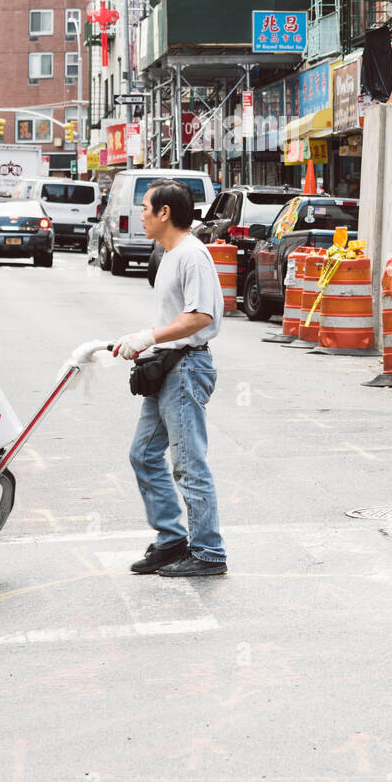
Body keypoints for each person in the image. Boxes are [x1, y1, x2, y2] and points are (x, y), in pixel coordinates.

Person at [114, 180, 227, 577]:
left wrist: (150, 337)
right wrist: (141, 340)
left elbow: (200, 317)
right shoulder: (169, 254)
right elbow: (174, 318)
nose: (140, 214)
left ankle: (209, 552)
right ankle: (171, 541)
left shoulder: (192, 255)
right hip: (167, 364)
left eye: (145, 207)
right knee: (143, 454)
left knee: (188, 462)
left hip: (186, 368)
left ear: (165, 213)